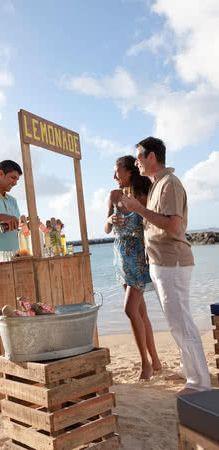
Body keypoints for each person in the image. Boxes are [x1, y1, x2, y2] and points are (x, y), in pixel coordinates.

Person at [122, 137, 211, 395]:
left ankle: (199, 383)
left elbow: (172, 224)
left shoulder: (169, 184)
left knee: (181, 322)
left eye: (139, 156)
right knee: (176, 321)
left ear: (152, 157)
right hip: (162, 263)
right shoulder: (157, 185)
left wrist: (138, 209)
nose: (136, 161)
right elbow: (156, 224)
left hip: (172, 262)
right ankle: (188, 369)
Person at [105, 155, 161, 380]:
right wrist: (110, 219)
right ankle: (156, 360)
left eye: (117, 171)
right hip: (120, 259)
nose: (114, 176)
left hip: (138, 258)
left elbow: (153, 222)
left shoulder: (144, 196)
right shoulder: (114, 195)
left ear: (129, 172)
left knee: (130, 310)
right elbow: (106, 228)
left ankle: (145, 364)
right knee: (140, 312)